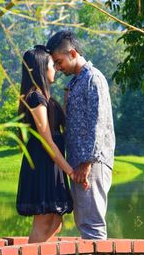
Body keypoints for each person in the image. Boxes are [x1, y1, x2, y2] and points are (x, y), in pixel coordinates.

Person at [46, 30, 116, 240]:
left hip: (92, 164)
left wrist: (86, 163)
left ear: (73, 53)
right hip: (79, 163)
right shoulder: (76, 82)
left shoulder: (93, 79)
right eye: (55, 64)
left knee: (92, 225)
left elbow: (98, 123)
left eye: (59, 62)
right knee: (84, 223)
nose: (58, 68)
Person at [16, 45, 77, 243]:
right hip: (43, 165)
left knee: (55, 222)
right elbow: (46, 140)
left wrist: (67, 101)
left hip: (52, 166)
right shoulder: (35, 97)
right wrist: (70, 171)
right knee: (43, 222)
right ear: (42, 68)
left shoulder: (46, 98)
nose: (56, 69)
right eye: (52, 64)